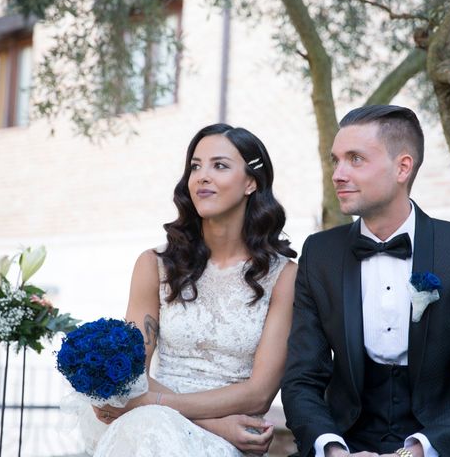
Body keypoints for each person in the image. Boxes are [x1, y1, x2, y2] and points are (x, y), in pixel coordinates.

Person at [281, 105, 450, 457]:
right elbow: (302, 379)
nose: (338, 174)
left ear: (403, 167)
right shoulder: (319, 253)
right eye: (336, 160)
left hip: (447, 445)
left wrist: (421, 450)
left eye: (355, 159)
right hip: (346, 441)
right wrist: (331, 449)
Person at [90, 123, 297, 457]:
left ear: (251, 183)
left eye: (220, 165)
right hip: (161, 426)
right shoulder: (154, 265)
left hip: (223, 444)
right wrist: (213, 423)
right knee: (150, 433)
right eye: (195, 166)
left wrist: (155, 404)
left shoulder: (283, 277)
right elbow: (132, 374)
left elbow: (259, 394)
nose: (202, 176)